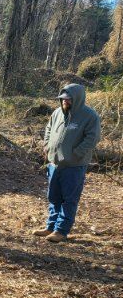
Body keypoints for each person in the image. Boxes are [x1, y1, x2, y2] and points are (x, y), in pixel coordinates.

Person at [33, 83, 101, 242]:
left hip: (74, 166)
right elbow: (48, 129)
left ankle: (61, 231)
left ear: (77, 99)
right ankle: (51, 227)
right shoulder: (57, 113)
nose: (65, 102)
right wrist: (47, 146)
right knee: (54, 196)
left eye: (68, 99)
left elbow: (93, 138)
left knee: (69, 199)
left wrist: (76, 154)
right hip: (54, 164)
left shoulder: (89, 116)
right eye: (62, 99)